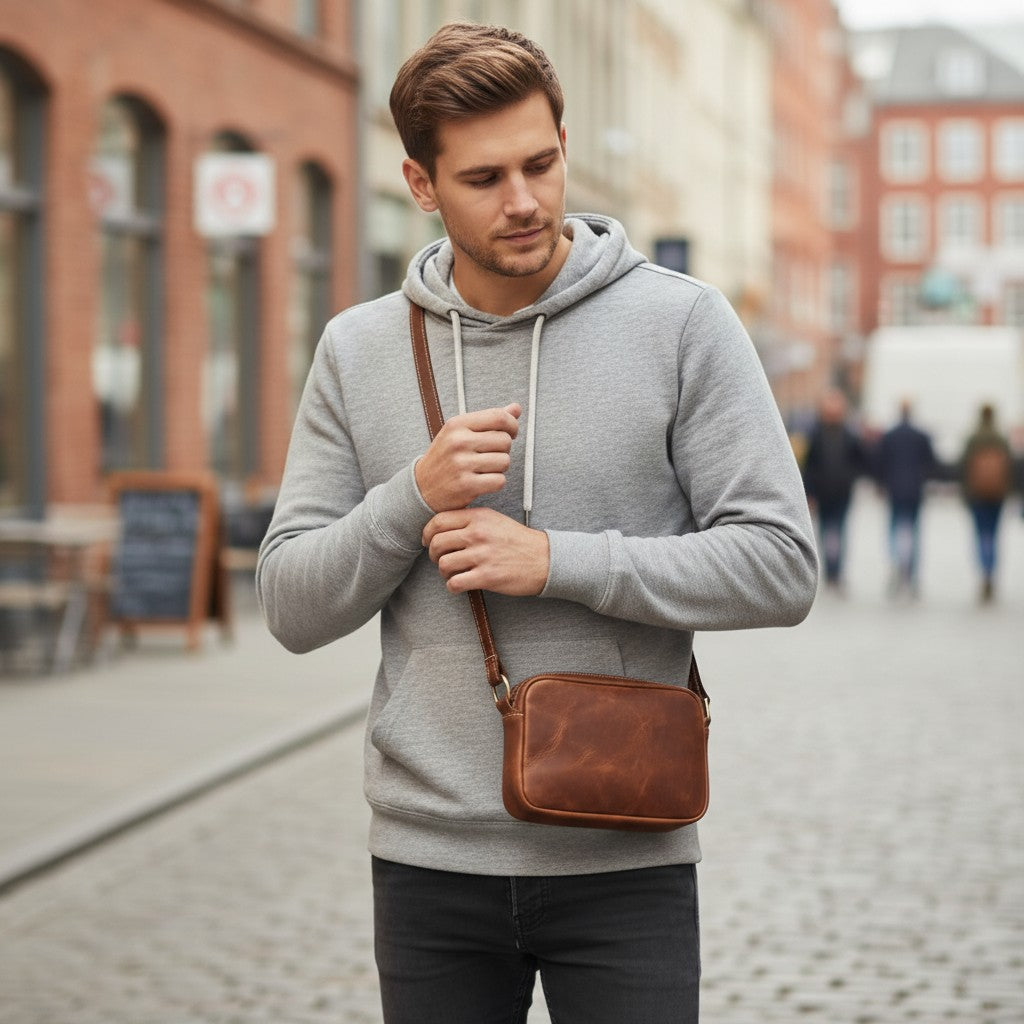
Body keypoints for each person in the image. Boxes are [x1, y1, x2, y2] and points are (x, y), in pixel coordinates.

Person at [257, 22, 817, 1024]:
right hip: (428, 863)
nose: (523, 201)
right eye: (483, 178)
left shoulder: (682, 323)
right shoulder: (358, 349)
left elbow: (781, 566)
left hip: (626, 847)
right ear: (420, 185)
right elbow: (291, 605)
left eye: (541, 163)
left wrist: (556, 560)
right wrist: (409, 496)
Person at [801, 388, 868, 593]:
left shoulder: (849, 434)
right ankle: (830, 572)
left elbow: (860, 459)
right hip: (823, 493)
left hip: (842, 492)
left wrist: (850, 477)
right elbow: (808, 466)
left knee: (839, 531)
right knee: (825, 532)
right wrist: (809, 493)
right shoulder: (815, 433)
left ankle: (837, 573)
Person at [875, 399, 937, 597]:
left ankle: (895, 563)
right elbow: (931, 462)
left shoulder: (890, 436)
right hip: (915, 490)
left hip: (894, 489)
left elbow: (881, 462)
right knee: (914, 533)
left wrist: (881, 484)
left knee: (894, 530)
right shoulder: (921, 436)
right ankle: (911, 573)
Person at [959, 403, 1013, 602]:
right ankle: (991, 571)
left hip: (977, 493)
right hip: (997, 494)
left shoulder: (973, 438)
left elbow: (963, 467)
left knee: (981, 533)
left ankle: (983, 570)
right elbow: (1010, 466)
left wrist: (965, 492)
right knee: (993, 533)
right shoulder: (1000, 438)